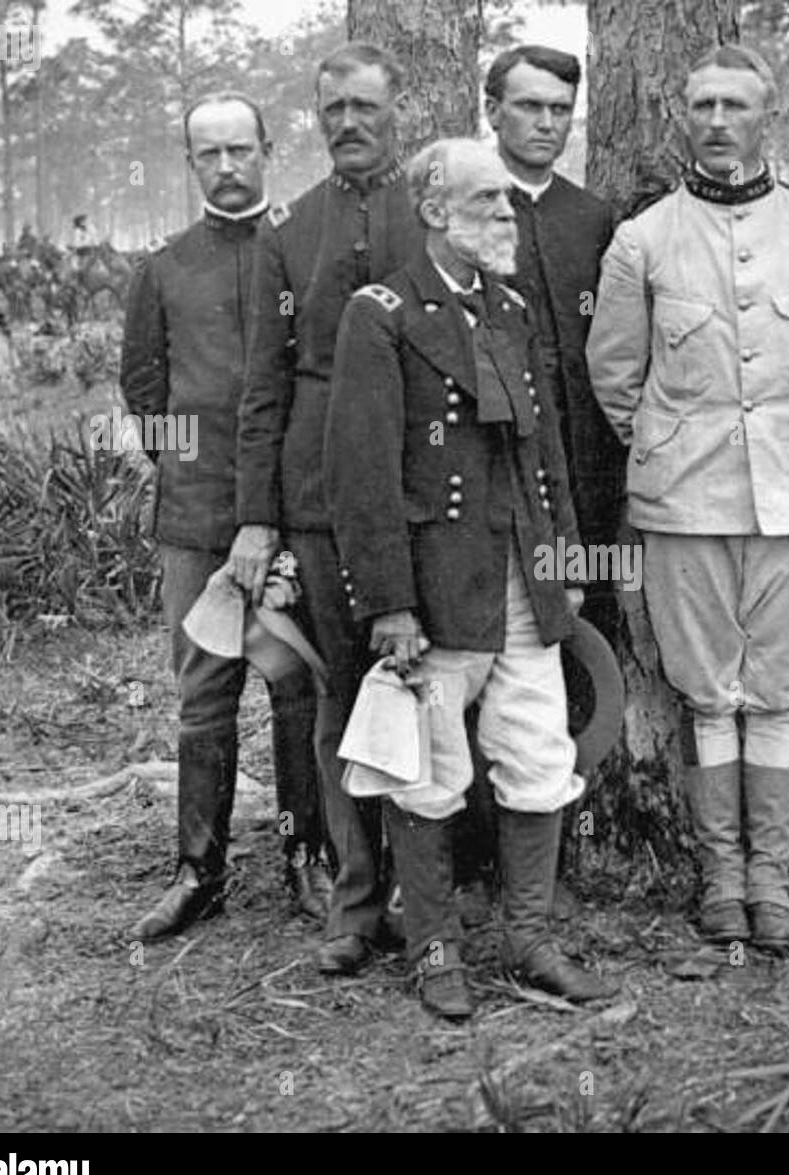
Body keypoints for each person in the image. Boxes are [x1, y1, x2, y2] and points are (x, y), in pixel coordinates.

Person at [587, 45, 789, 951]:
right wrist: (672, 446)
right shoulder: (644, 241)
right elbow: (614, 374)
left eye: (736, 106)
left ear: (769, 118)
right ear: (682, 114)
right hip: (686, 503)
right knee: (708, 696)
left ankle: (774, 881)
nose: (717, 121)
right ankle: (722, 880)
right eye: (702, 103)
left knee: (780, 692)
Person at [324, 138, 618, 1020]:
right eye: (487, 200)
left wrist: (563, 562)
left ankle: (530, 939)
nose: (506, 214)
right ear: (435, 211)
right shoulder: (379, 314)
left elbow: (546, 453)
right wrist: (390, 606)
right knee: (428, 774)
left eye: (509, 201)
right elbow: (362, 475)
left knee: (537, 757)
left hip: (523, 582)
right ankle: (436, 946)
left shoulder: (513, 308)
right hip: (436, 587)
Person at [230, 43, 423, 976]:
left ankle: (427, 893)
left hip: (424, 495)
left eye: (365, 107)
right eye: (332, 108)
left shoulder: (433, 208)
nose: (348, 123)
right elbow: (263, 388)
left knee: (430, 691)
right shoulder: (289, 229)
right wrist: (257, 518)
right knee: (340, 695)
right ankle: (353, 900)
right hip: (316, 501)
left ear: (399, 110)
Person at [121, 92, 328, 940]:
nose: (227, 167)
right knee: (204, 691)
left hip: (292, 518)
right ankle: (197, 871)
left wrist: (277, 510)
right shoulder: (165, 267)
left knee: (295, 683)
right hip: (198, 522)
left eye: (240, 150)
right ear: (189, 163)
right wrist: (190, 469)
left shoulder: (301, 254)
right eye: (208, 154)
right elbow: (144, 391)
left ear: (268, 150)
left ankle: (306, 857)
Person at [484, 45, 624, 644]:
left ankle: (597, 732)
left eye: (561, 110)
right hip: (501, 459)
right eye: (530, 106)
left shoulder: (592, 217)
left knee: (594, 610)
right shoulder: (471, 206)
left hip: (590, 463)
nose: (547, 123)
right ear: (493, 111)